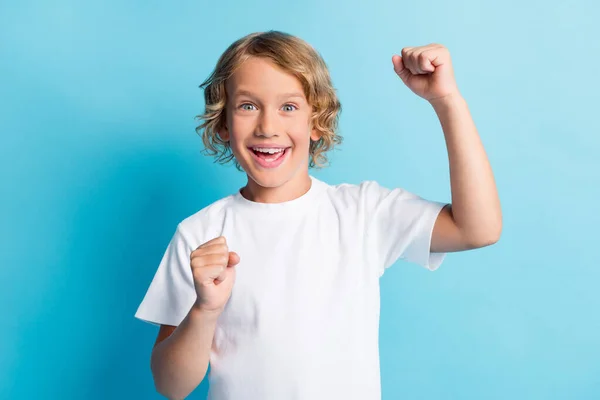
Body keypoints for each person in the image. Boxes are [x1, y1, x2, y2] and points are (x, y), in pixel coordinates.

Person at [134, 30, 502, 400]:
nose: (267, 127)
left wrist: (447, 100)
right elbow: (171, 386)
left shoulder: (363, 214)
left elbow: (478, 229)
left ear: (316, 122)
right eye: (248, 106)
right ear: (224, 124)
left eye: (288, 107)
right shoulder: (200, 234)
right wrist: (204, 310)